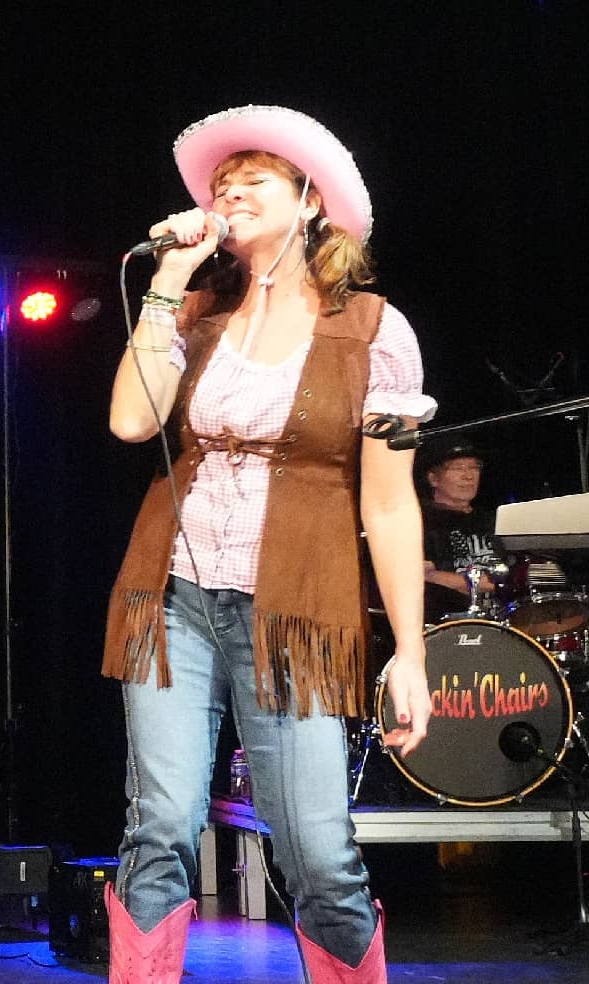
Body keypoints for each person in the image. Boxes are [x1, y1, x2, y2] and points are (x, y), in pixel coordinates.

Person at [104, 105, 434, 983]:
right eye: (222, 184)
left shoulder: (373, 330)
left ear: (312, 202)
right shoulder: (196, 313)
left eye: (255, 179)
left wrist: (409, 649)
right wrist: (170, 281)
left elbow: (392, 505)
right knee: (159, 831)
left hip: (292, 611)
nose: (229, 192)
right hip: (172, 597)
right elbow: (133, 420)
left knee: (318, 854)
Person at [418, 437, 497, 621]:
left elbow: (514, 579)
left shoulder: (493, 520)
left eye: (474, 467)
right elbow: (412, 576)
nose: (468, 476)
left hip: (501, 618)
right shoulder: (419, 522)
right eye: (458, 468)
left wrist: (436, 576)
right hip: (445, 623)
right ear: (433, 478)